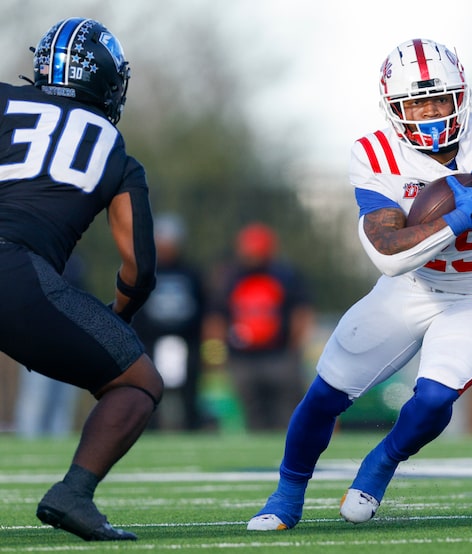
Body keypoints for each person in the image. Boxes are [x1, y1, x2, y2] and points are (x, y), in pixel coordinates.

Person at [247, 37, 472, 531]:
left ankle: (379, 465)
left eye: (439, 99)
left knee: (433, 398)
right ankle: (286, 495)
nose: (430, 114)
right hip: (409, 291)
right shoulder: (376, 154)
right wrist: (453, 223)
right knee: (325, 393)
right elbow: (388, 251)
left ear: (461, 95)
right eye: (416, 103)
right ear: (393, 109)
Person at [0, 18, 161, 541]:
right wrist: (119, 321)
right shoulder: (114, 150)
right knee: (138, 383)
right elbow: (138, 266)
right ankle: (73, 495)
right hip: (15, 273)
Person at [214, 222, 314, 431]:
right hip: (243, 357)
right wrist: (220, 351)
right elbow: (218, 317)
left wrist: (294, 348)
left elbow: (301, 313)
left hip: (279, 355)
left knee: (288, 412)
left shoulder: (285, 276)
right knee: (254, 414)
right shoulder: (230, 278)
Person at [132, 214, 209, 431]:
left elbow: (202, 307)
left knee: (189, 393)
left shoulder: (191, 272)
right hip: (151, 341)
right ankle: (148, 431)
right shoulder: (144, 270)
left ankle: (191, 430)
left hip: (185, 341)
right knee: (149, 391)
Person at [14, 254, 86, 438]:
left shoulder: (73, 261)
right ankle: (28, 444)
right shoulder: (33, 256)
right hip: (39, 340)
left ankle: (57, 448)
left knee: (62, 402)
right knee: (37, 399)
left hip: (69, 341)